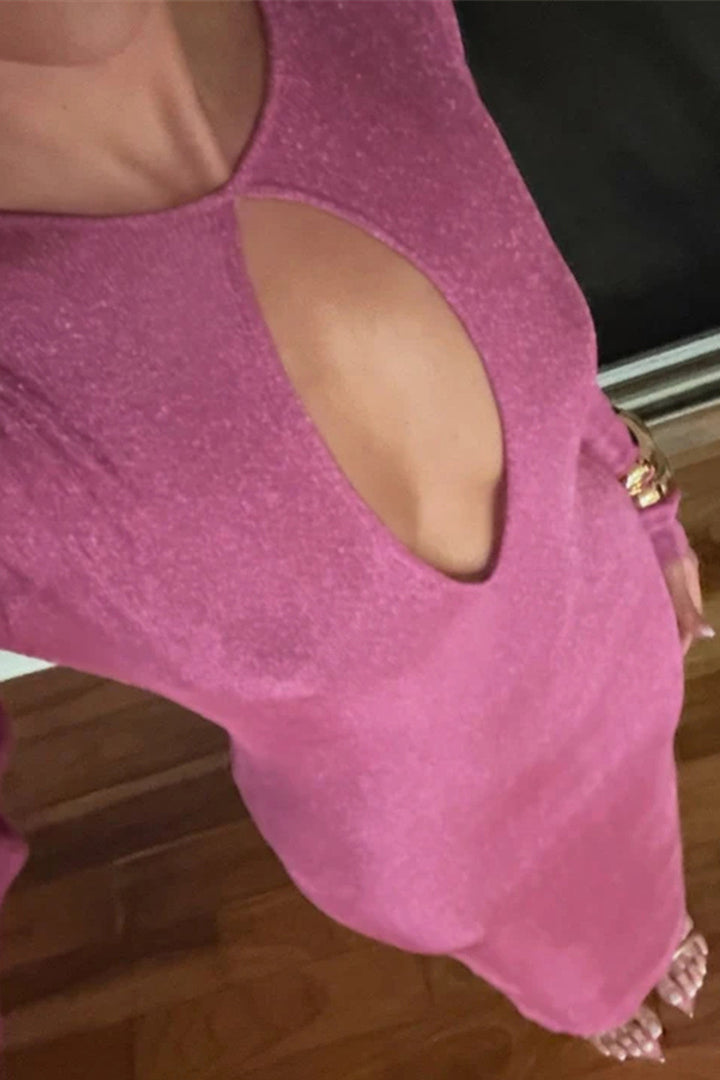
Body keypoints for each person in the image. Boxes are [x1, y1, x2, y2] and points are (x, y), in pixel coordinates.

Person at [0, 0, 714, 1066]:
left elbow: (551, 377)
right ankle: (577, 991)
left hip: (619, 652)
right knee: (554, 955)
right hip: (435, 846)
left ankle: (649, 925)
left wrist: (650, 506)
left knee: (643, 855)